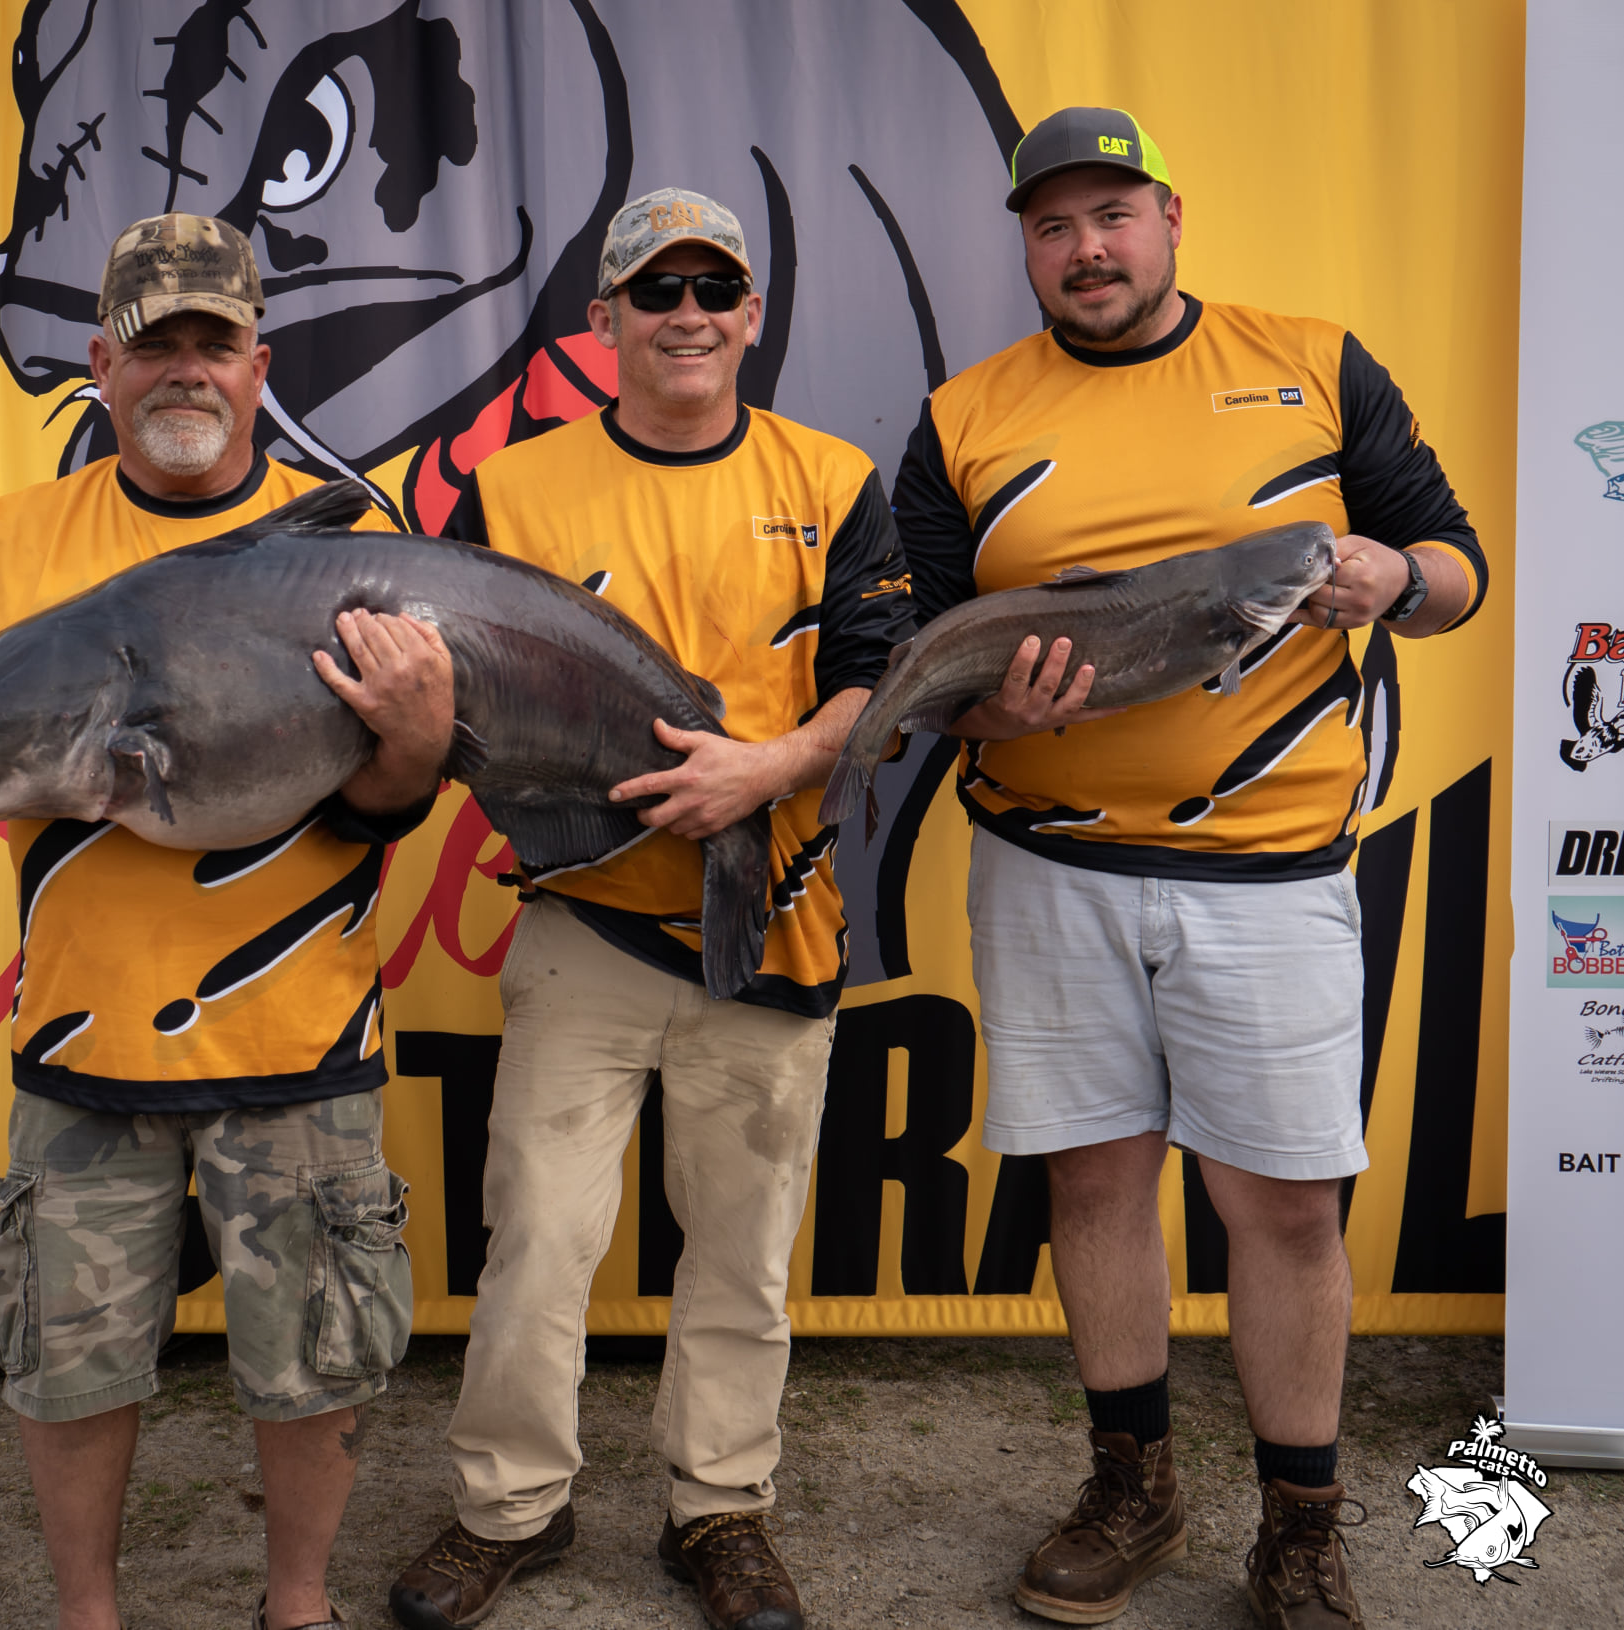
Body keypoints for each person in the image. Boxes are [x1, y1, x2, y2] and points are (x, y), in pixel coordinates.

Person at [0, 213, 453, 1630]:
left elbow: (394, 802)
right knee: (70, 1359)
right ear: (98, 361)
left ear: (256, 362)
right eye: (153, 340)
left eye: (211, 341)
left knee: (315, 1357)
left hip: (301, 1045)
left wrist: (410, 743)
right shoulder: (12, 540)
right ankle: (86, 1613)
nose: (184, 369)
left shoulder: (355, 547)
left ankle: (297, 1604)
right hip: (81, 1052)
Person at [893, 108, 1486, 1629]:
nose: (1084, 248)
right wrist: (980, 699)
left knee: (1281, 1208)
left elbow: (1455, 568)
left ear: (1169, 218)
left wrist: (1388, 577)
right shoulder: (962, 414)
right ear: (1024, 244)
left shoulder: (1315, 361)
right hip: (1043, 870)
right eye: (1051, 225)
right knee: (1093, 1181)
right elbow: (918, 653)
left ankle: (1299, 1523)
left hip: (1272, 873)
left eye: (1112, 214)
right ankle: (1131, 1484)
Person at [387, 190, 914, 1630]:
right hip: (587, 921)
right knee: (537, 1236)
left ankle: (719, 1510)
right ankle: (510, 1506)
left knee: (741, 1250)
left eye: (713, 286)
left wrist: (771, 766)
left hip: (778, 924)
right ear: (601, 320)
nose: (686, 311)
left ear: (752, 314)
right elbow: (457, 696)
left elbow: (882, 669)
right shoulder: (514, 491)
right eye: (653, 288)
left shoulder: (832, 474)